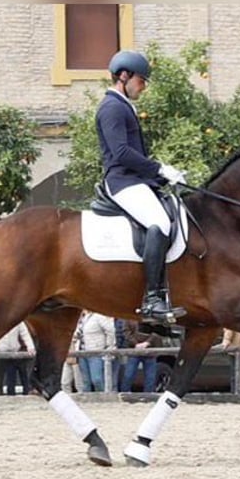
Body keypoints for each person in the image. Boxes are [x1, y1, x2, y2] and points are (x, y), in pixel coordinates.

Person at [96, 49, 186, 324]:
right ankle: (153, 299)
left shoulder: (123, 106)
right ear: (124, 76)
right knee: (160, 222)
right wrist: (158, 168)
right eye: (141, 80)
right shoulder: (112, 107)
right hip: (121, 181)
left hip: (134, 180)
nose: (143, 86)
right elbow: (121, 153)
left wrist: (161, 177)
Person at [0, 321, 36, 396]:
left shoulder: (18, 320)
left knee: (13, 376)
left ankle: (21, 395)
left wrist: (30, 347)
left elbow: (25, 334)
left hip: (14, 352)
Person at [120, 319, 162, 393]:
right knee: (129, 374)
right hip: (134, 350)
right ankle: (125, 393)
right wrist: (135, 343)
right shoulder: (129, 317)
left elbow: (158, 330)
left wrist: (147, 342)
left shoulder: (152, 316)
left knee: (150, 377)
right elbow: (126, 332)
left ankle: (148, 395)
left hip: (150, 350)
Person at [79, 311, 116, 392]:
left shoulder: (100, 316)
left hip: (96, 351)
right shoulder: (84, 317)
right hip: (82, 351)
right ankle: (87, 399)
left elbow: (110, 331)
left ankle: (102, 396)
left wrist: (109, 346)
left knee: (97, 379)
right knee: (85, 381)